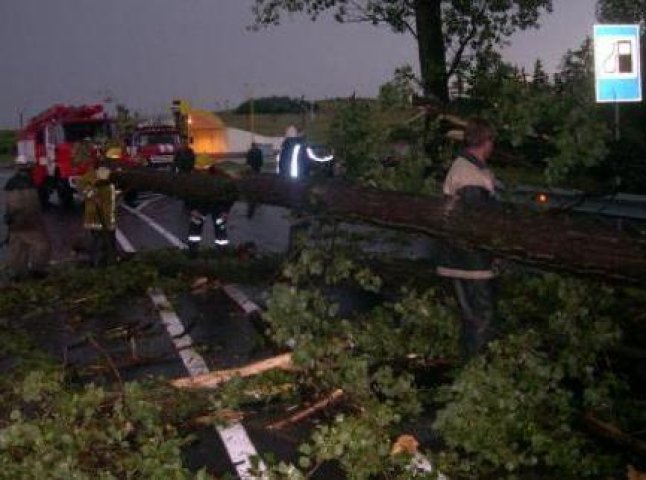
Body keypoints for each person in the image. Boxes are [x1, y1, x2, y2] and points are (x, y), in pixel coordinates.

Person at [436, 117, 498, 356]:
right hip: (471, 260)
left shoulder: (466, 167)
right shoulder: (470, 177)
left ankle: (471, 365)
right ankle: (477, 369)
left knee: (470, 318)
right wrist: (492, 253)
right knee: (482, 316)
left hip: (457, 257)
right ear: (486, 142)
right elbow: (479, 223)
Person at [3, 155, 51, 279]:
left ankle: (17, 272)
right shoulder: (30, 184)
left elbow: (10, 205)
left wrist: (10, 219)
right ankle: (38, 269)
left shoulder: (10, 183)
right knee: (41, 243)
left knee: (17, 246)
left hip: (15, 222)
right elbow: (31, 206)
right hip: (29, 221)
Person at [79, 162, 117, 267]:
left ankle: (108, 261)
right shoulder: (91, 176)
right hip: (97, 216)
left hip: (108, 216)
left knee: (108, 241)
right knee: (98, 241)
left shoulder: (112, 176)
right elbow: (82, 186)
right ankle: (97, 263)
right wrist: (93, 196)